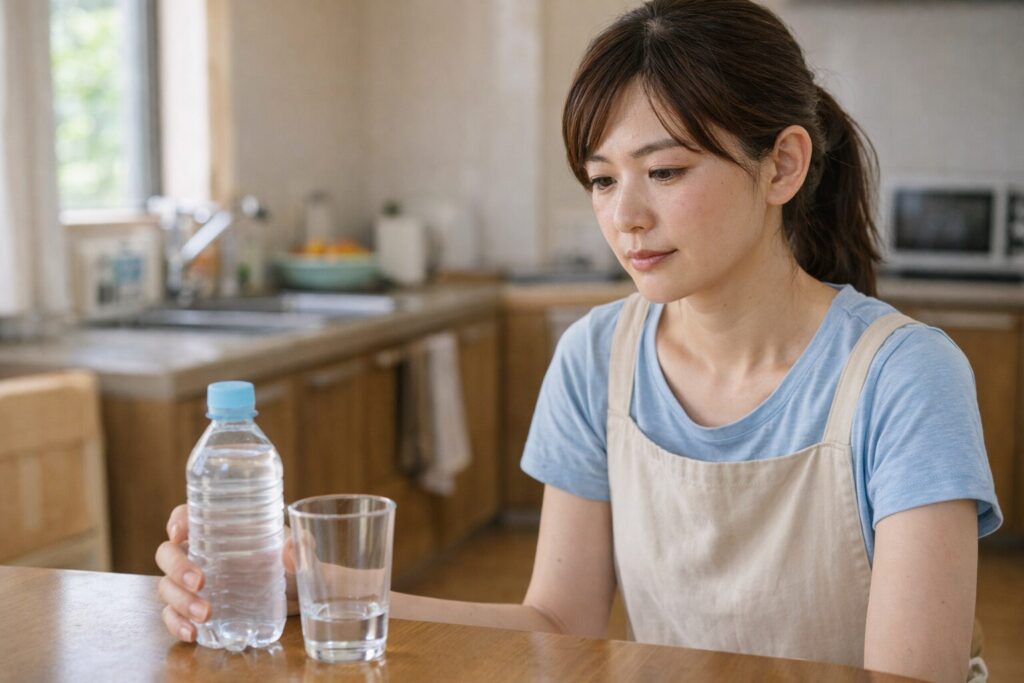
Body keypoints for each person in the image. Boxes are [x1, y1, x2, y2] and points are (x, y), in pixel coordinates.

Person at [156, 1, 1001, 681]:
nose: (624, 215)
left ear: (782, 165)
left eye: (665, 171)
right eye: (602, 179)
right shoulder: (597, 357)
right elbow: (554, 624)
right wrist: (317, 588)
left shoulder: (904, 378)